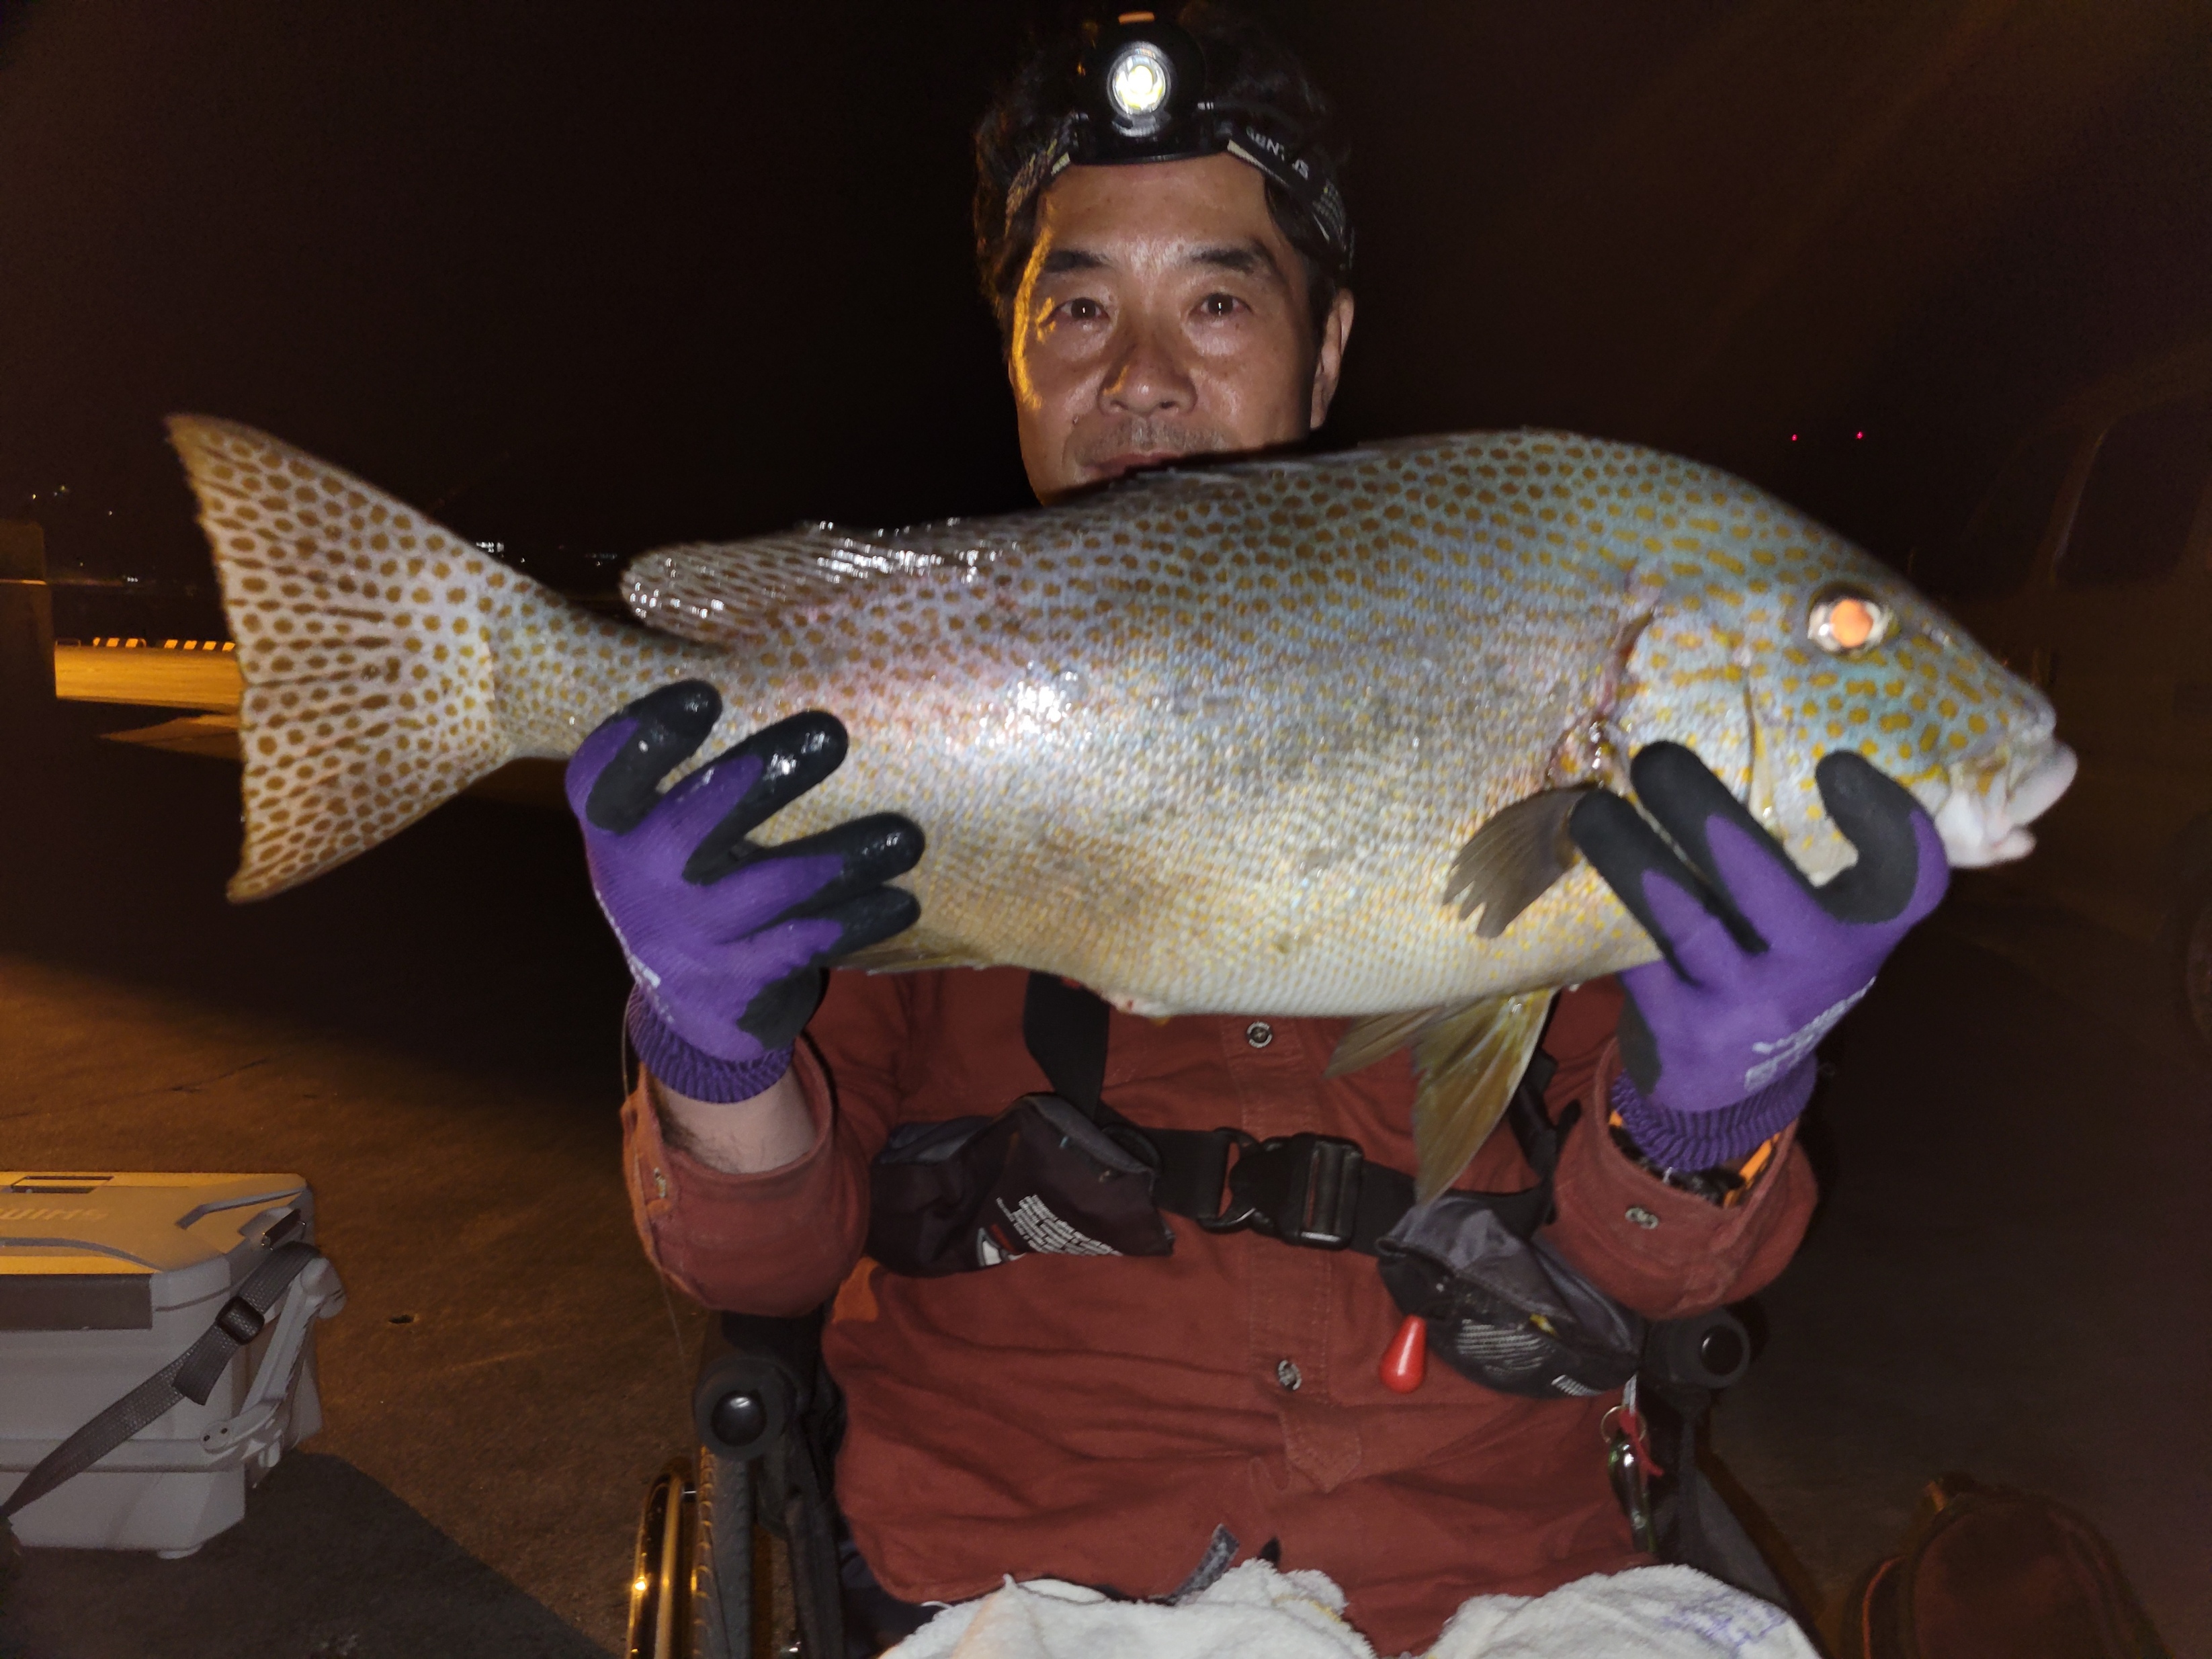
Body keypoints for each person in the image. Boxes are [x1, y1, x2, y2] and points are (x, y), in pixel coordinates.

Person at [568, 8, 1947, 1653]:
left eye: (1215, 299)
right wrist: (712, 1047)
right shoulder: (902, 724)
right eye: (1075, 304)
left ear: (1329, 340)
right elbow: (761, 1257)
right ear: (1012, 351)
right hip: (1033, 1583)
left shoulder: (1518, 661)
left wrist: (1712, 1095)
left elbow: (1656, 1272)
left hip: (1509, 1583)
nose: (1139, 374)